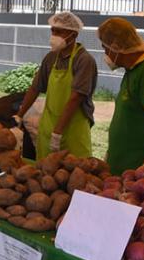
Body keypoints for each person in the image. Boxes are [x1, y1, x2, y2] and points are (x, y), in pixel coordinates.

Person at [98, 17, 144, 175]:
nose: (105, 54)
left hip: (139, 171)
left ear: (115, 47)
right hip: (123, 167)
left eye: (105, 49)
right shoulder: (132, 71)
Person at [15, 12, 97, 158]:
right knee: (44, 173)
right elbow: (35, 87)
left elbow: (76, 98)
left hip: (73, 128)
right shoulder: (51, 57)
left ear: (73, 34)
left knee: (74, 173)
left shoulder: (84, 60)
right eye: (52, 30)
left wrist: (58, 132)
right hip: (48, 125)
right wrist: (19, 115)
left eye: (59, 31)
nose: (54, 35)